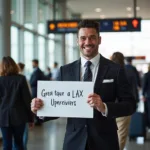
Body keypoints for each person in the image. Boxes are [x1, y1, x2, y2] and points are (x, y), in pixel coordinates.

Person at [31, 20, 136, 150]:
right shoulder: (65, 71)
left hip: (105, 141)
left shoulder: (116, 70)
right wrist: (41, 108)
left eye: (92, 37)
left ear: (99, 40)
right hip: (74, 142)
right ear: (77, 41)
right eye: (83, 38)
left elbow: (130, 105)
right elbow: (59, 104)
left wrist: (104, 107)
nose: (87, 42)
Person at [0, 56, 34, 150]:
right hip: (19, 117)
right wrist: (31, 119)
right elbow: (27, 101)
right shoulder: (21, 79)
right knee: (19, 143)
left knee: (6, 144)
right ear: (14, 66)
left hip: (3, 117)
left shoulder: (0, 80)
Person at [111, 52, 138, 150]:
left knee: (107, 135)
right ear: (123, 60)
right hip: (124, 109)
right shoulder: (130, 72)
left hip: (108, 109)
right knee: (121, 136)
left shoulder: (107, 71)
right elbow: (134, 89)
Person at [30, 59, 45, 125]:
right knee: (37, 105)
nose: (32, 65)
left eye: (33, 63)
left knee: (37, 105)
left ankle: (39, 121)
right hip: (36, 90)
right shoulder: (37, 71)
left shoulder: (37, 72)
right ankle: (38, 120)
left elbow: (33, 81)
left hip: (36, 90)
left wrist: (29, 83)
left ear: (36, 63)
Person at [142, 64, 150, 129]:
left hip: (149, 96)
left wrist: (143, 95)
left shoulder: (147, 75)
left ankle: (148, 126)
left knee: (148, 111)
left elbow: (144, 86)